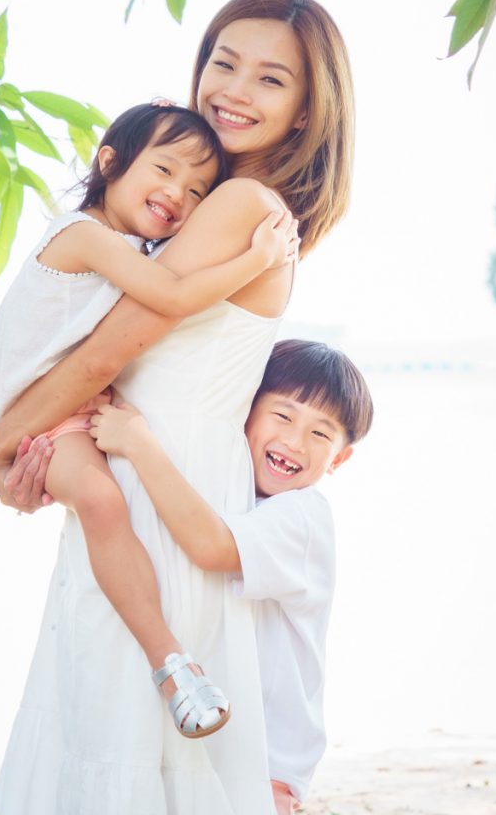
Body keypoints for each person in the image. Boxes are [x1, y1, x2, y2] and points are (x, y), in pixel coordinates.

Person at [0, 0, 355, 815]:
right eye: (224, 63)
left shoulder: (240, 207)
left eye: (269, 80)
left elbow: (112, 348)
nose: (233, 89)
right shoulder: (207, 201)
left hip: (162, 487)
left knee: (118, 734)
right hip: (154, 470)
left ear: (304, 112)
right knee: (110, 728)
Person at [0, 102, 296, 738]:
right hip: (35, 415)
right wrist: (257, 260)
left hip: (60, 410)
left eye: (197, 189)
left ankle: (173, 665)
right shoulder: (84, 236)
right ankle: (171, 666)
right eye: (165, 169)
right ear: (110, 163)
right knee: (101, 500)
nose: (178, 194)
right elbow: (173, 299)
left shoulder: (133, 246)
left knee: (101, 506)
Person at [89, 339, 374, 814]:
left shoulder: (303, 517)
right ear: (245, 412)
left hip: (268, 765)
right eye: (282, 417)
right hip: (223, 745)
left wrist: (138, 442)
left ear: (339, 460)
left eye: (320, 435)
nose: (294, 442)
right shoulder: (238, 495)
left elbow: (210, 546)